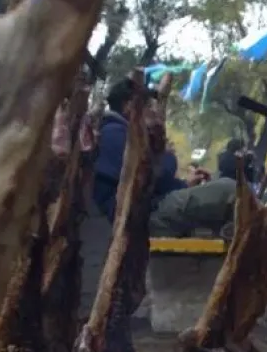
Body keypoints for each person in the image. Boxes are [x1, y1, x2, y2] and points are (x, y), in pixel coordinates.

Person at [92, 78, 237, 238]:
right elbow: (154, 177)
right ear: (129, 107)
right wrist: (165, 154)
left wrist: (184, 184)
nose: (154, 111)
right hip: (138, 217)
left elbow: (157, 183)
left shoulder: (126, 134)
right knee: (228, 189)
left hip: (148, 209)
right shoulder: (115, 134)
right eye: (148, 106)